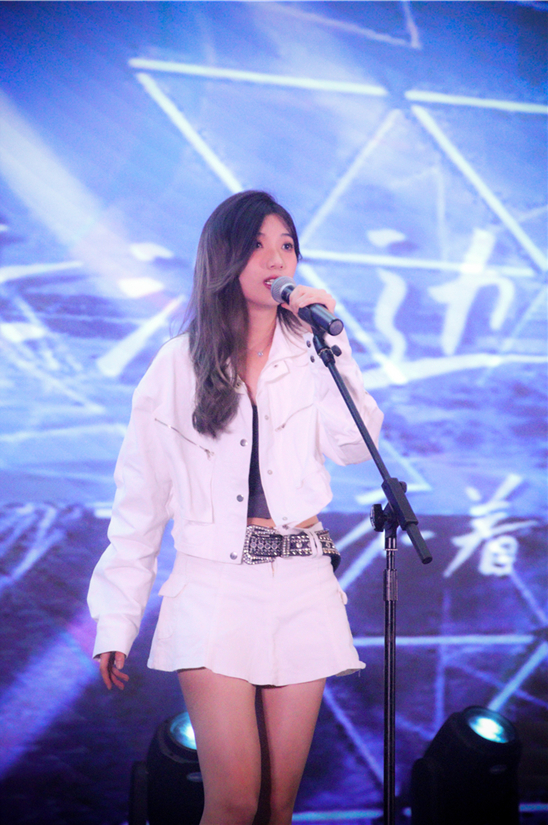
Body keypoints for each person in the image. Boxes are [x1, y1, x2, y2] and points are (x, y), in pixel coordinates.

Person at [87, 190, 383, 825]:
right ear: (223, 258)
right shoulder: (178, 364)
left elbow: (357, 445)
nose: (276, 260)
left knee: (277, 806)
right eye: (257, 245)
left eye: (286, 245)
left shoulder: (312, 352)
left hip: (304, 582)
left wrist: (332, 346)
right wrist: (116, 619)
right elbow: (140, 500)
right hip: (214, 587)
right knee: (234, 801)